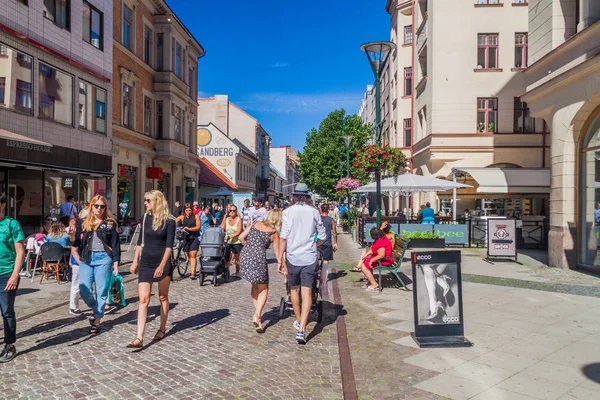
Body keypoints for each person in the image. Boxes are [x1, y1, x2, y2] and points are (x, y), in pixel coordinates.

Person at [128, 190, 176, 348]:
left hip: (162, 261)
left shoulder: (169, 221)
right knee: (143, 299)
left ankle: (162, 328)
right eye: (145, 200)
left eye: (148, 200)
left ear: (157, 201)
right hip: (146, 262)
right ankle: (139, 337)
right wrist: (135, 261)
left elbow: (169, 246)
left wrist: (162, 265)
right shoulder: (145, 218)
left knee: (162, 296)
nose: (145, 203)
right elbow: (140, 241)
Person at [279, 183, 326, 344]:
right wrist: (315, 245)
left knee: (294, 289)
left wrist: (280, 258)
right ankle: (302, 329)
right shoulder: (314, 212)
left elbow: (283, 237)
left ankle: (300, 321)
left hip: (293, 257)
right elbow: (322, 236)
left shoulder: (287, 212)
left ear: (294, 196)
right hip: (309, 258)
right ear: (307, 197)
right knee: (307, 292)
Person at [68, 195, 120, 335]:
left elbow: (115, 245)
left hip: (104, 258)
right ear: (91, 206)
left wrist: (115, 263)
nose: (99, 209)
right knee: (83, 287)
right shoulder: (83, 223)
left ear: (105, 208)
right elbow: (76, 244)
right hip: (87, 258)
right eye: (96, 206)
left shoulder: (110, 223)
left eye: (102, 206)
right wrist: (72, 237)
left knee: (102, 290)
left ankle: (97, 320)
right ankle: (95, 308)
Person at [239, 209, 283, 333]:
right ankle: (257, 314)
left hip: (246, 255)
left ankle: (258, 319)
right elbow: (277, 251)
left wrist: (249, 247)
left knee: (255, 285)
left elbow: (241, 237)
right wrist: (280, 263)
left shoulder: (255, 224)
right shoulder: (273, 232)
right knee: (264, 288)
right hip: (258, 258)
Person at [0, 194, 25, 363]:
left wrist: (15, 275)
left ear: (2, 205)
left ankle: (10, 345)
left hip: (6, 273)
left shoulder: (11, 224)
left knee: (6, 310)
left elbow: (20, 252)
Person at [176, 203, 201, 279]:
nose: (188, 212)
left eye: (189, 210)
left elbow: (198, 227)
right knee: (189, 255)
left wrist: (189, 229)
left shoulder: (196, 216)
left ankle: (193, 274)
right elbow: (174, 221)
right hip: (186, 238)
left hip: (195, 237)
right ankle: (193, 269)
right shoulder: (182, 217)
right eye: (186, 210)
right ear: (184, 210)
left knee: (193, 254)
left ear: (192, 210)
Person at [221, 205, 243, 276]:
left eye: (234, 211)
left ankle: (237, 271)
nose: (232, 212)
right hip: (228, 242)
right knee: (227, 258)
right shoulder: (227, 219)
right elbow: (221, 227)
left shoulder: (239, 219)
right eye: (231, 211)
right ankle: (226, 271)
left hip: (237, 242)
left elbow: (238, 231)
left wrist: (230, 236)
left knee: (237, 259)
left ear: (236, 212)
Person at [68, 218, 82, 316]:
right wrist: (80, 263)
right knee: (76, 285)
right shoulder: (77, 232)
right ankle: (73, 307)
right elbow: (74, 250)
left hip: (84, 262)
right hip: (78, 262)